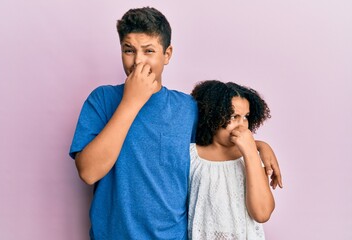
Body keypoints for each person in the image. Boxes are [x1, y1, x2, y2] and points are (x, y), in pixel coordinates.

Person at [69, 7, 282, 239]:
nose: (138, 60)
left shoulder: (188, 108)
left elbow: (215, 148)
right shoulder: (101, 100)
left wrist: (260, 145)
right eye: (129, 50)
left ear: (167, 54)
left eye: (149, 50)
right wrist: (132, 102)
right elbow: (89, 172)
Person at [188, 80, 276, 239]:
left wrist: (250, 151)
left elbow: (262, 214)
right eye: (234, 116)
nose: (242, 125)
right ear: (211, 116)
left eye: (246, 117)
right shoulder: (191, 156)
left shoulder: (252, 156)